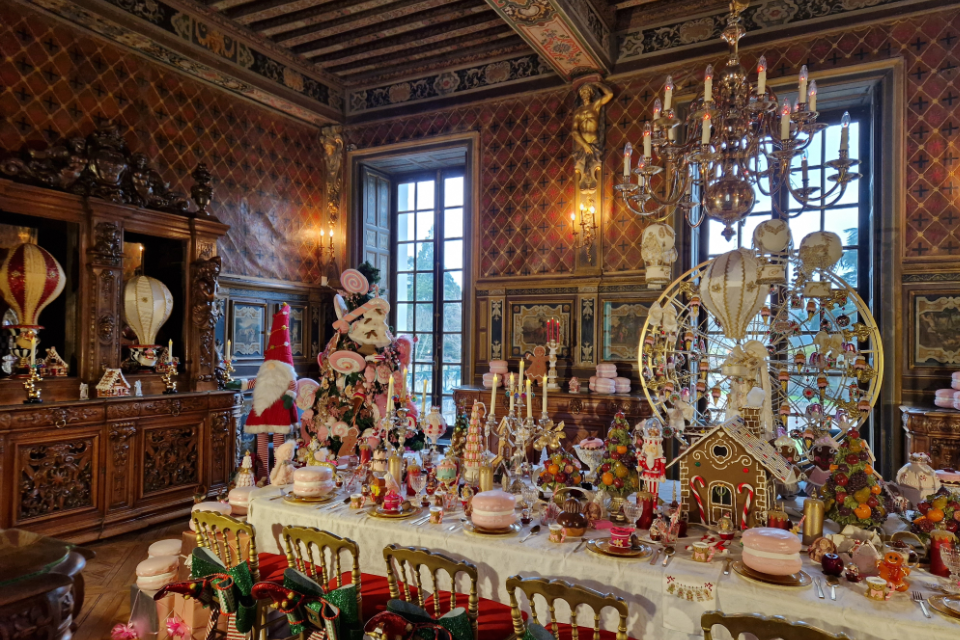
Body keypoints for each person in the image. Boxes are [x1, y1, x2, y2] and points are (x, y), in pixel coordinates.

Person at [571, 82, 613, 193]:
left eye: (586, 91)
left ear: (590, 94)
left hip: (594, 141)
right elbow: (574, 131)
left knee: (593, 166)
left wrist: (599, 84)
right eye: (582, 92)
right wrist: (584, 145)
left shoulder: (595, 106)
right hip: (581, 145)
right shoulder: (578, 112)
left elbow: (609, 94)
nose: (584, 94)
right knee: (583, 168)